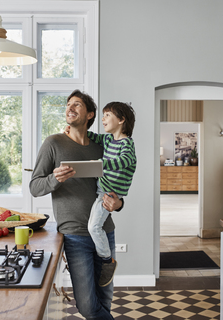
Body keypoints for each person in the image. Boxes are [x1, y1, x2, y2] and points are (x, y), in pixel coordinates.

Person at [29, 89, 123, 320]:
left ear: (90, 114)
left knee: (104, 301)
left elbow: (115, 184)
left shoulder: (101, 146)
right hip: (74, 236)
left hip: (105, 231)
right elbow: (35, 187)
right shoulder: (53, 143)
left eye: (77, 104)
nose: (70, 108)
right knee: (88, 306)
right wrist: (55, 178)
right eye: (68, 104)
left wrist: (119, 204)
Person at [86, 102, 137, 287]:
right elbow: (92, 136)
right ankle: (106, 258)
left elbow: (124, 161)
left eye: (107, 115)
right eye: (103, 115)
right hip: (103, 189)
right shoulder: (107, 140)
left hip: (108, 194)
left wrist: (101, 164)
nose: (103, 119)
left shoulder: (127, 144)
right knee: (94, 226)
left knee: (93, 227)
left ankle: (107, 261)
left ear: (121, 120)